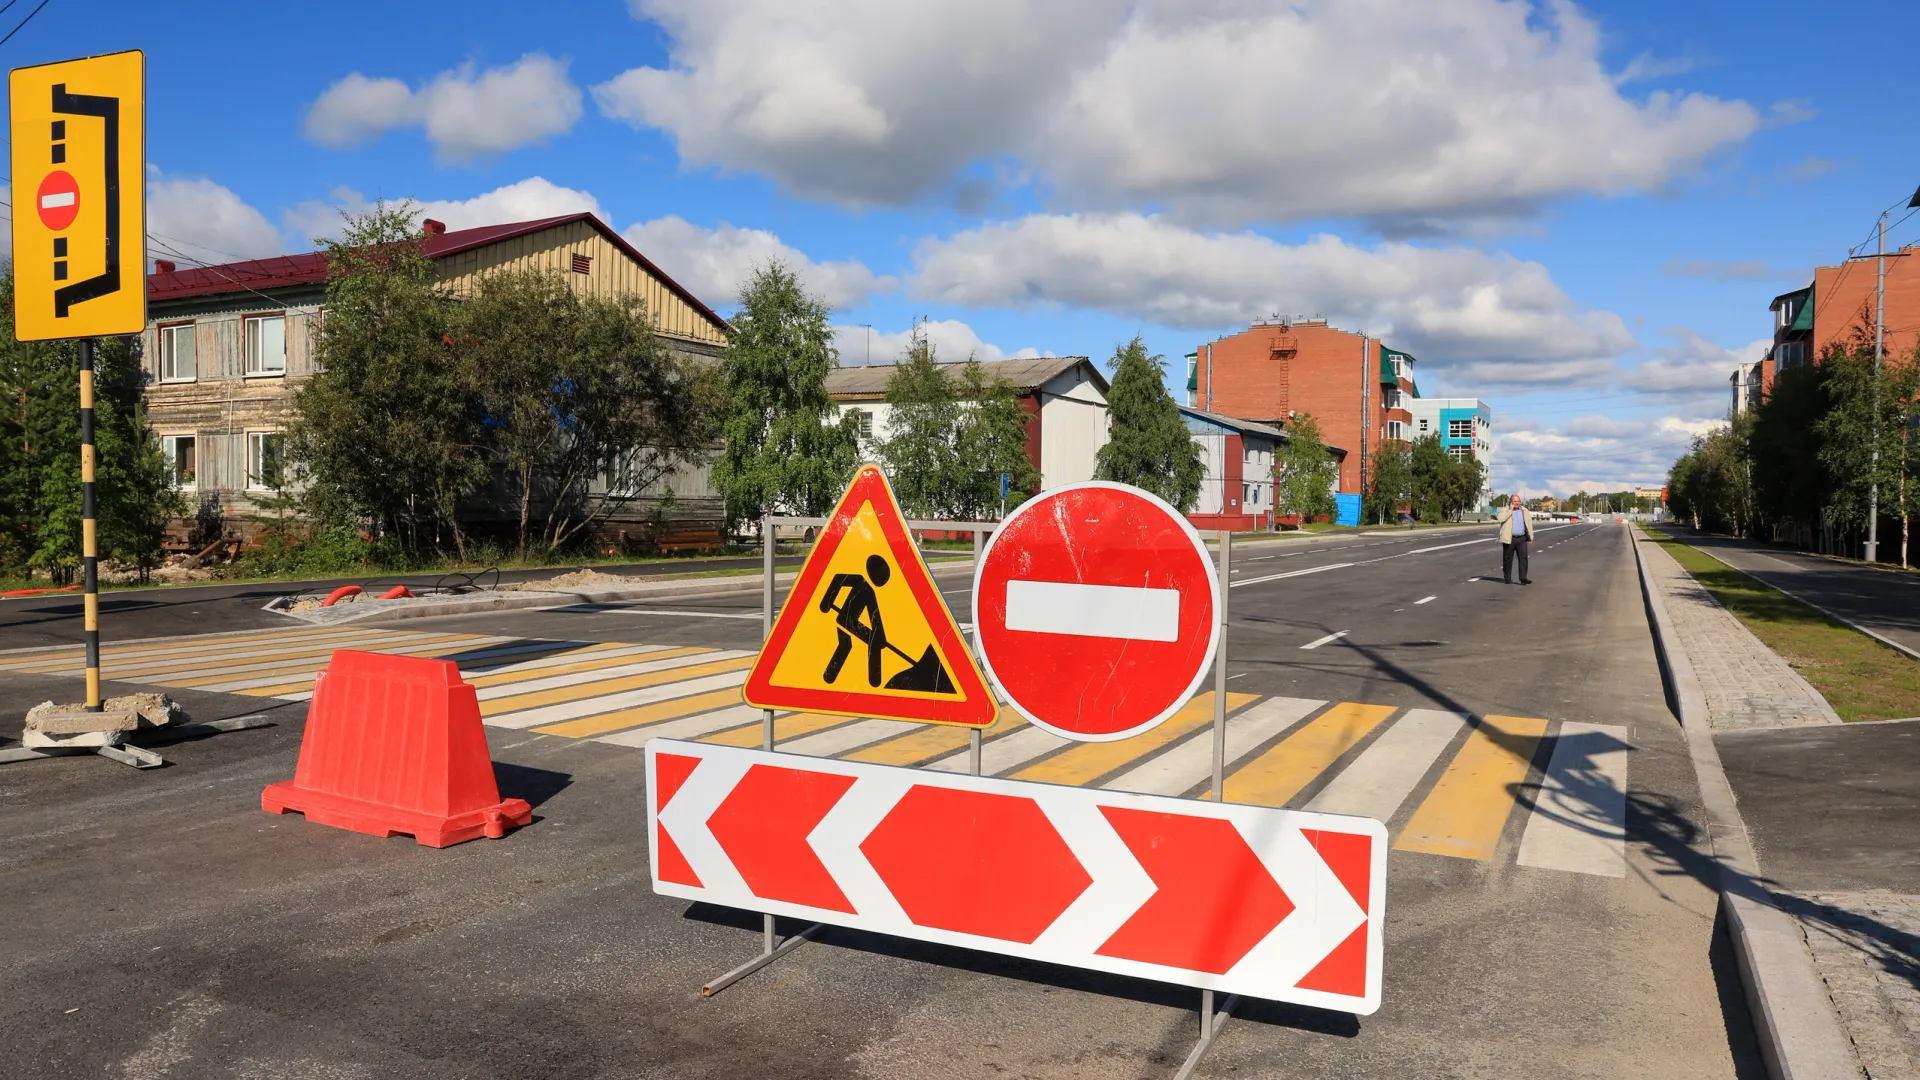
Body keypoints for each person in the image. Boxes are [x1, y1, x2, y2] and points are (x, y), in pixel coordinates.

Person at [1496, 494, 1532, 585]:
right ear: (1511, 502)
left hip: (1522, 538)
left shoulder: (1524, 510)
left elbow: (1529, 524)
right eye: (1514, 501)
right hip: (1509, 538)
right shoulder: (1505, 510)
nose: (1517, 503)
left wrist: (1531, 536)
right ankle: (1507, 578)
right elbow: (1500, 519)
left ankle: (1523, 578)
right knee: (1507, 559)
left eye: (1518, 501)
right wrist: (1510, 510)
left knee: (1523, 558)